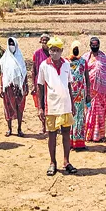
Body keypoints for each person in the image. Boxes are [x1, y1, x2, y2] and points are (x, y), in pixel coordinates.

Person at [37, 37, 78, 176]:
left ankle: (66, 161)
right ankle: (52, 162)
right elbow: (40, 87)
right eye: (52, 50)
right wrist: (40, 107)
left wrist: (72, 103)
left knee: (66, 133)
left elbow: (69, 85)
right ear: (49, 51)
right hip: (51, 106)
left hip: (65, 105)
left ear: (61, 51)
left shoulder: (67, 64)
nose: (54, 53)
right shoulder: (44, 65)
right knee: (52, 135)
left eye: (57, 50)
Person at [83, 37, 106, 142]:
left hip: (101, 92)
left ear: (99, 45)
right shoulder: (85, 57)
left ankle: (99, 135)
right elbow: (82, 71)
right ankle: (88, 135)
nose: (94, 47)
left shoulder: (104, 57)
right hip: (89, 90)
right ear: (90, 45)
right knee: (89, 112)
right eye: (92, 45)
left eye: (96, 45)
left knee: (100, 114)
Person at [0, 37, 28, 137]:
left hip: (19, 87)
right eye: (10, 44)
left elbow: (24, 73)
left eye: (13, 44)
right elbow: (2, 74)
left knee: (20, 107)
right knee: (8, 107)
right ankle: (9, 129)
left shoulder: (20, 58)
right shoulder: (4, 59)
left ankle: (19, 129)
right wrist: (1, 87)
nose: (11, 46)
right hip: (8, 87)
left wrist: (26, 86)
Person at [68, 40, 91, 150]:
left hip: (80, 94)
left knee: (80, 118)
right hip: (69, 94)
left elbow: (87, 78)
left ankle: (79, 143)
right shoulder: (66, 62)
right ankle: (70, 142)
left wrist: (88, 94)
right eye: (75, 48)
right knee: (70, 117)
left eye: (77, 48)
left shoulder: (83, 61)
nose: (76, 50)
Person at [32, 34, 51, 134]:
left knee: (51, 103)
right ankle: (43, 126)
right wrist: (33, 85)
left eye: (46, 41)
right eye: (43, 41)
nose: (44, 43)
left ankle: (52, 125)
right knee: (41, 104)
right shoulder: (37, 54)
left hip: (50, 83)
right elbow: (33, 70)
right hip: (39, 83)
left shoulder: (52, 53)